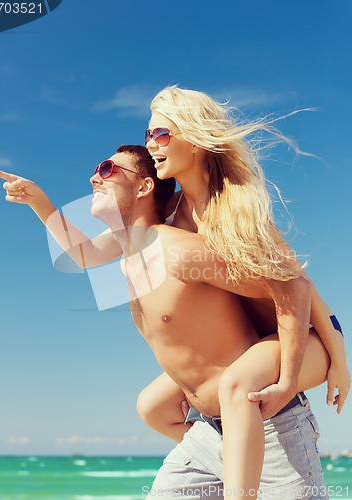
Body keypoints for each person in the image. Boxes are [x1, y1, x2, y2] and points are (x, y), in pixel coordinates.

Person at [0, 145, 348, 499]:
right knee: (150, 406)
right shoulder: (128, 252)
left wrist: (336, 351)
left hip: (270, 426)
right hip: (210, 432)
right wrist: (37, 200)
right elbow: (82, 253)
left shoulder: (178, 252)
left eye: (108, 170)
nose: (94, 177)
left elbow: (291, 285)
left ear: (144, 187)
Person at [137, 85, 350, 498]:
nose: (151, 146)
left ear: (194, 139)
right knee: (152, 405)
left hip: (301, 338)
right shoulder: (170, 215)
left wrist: (335, 358)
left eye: (160, 134)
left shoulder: (237, 207)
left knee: (236, 383)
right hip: (254, 347)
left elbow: (300, 287)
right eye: (148, 136)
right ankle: (226, 452)